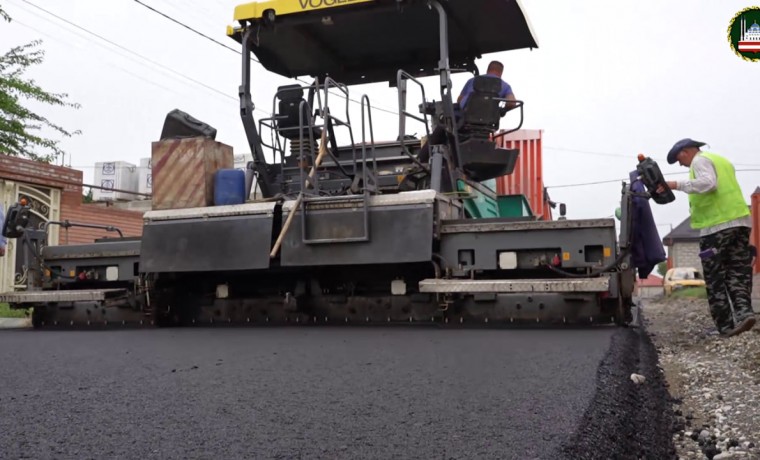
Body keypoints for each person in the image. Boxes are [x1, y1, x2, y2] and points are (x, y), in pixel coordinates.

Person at [659, 138, 755, 337]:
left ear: (686, 151)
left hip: (716, 228)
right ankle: (745, 314)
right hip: (740, 223)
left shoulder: (699, 161)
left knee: (714, 277)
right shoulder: (721, 160)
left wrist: (675, 184)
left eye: (679, 159)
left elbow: (708, 184)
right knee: (737, 272)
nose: (680, 164)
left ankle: (726, 326)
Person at [418, 60, 516, 163]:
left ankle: (420, 160)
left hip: (463, 120)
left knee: (442, 128)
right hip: (486, 126)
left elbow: (460, 100)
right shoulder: (504, 86)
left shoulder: (473, 81)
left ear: (488, 70)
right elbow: (512, 103)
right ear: (501, 73)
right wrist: (501, 110)